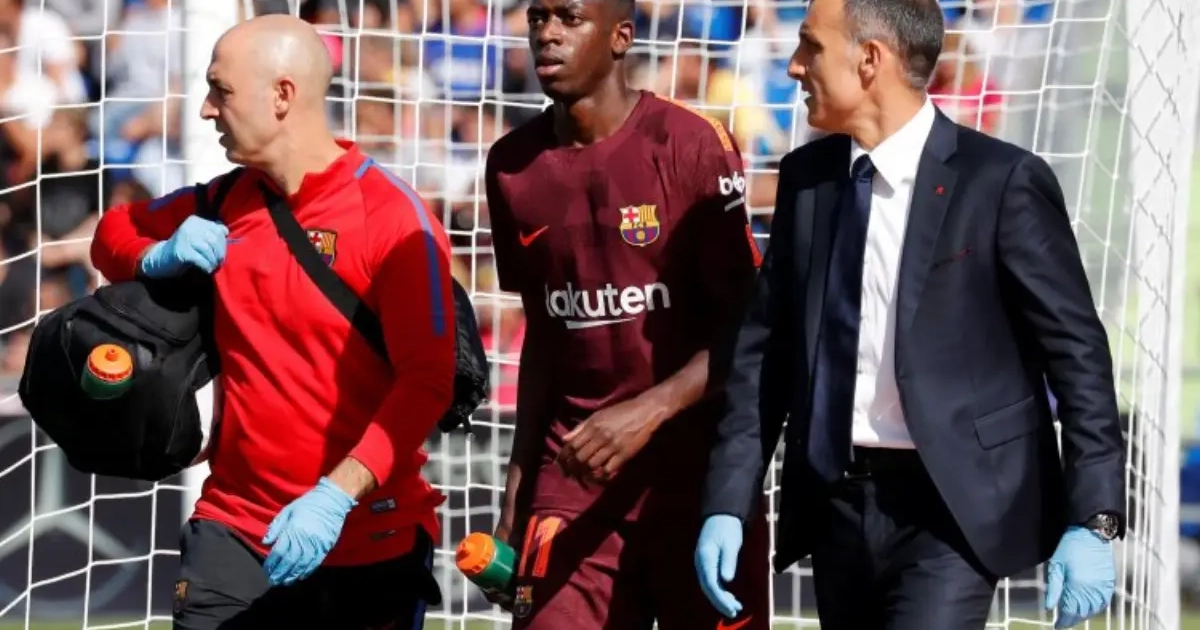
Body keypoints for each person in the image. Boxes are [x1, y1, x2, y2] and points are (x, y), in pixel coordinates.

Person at [693, 0, 1126, 629]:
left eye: (811, 46)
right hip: (836, 505)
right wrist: (728, 502)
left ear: (870, 60)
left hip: (953, 512)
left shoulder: (1001, 181)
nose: (794, 66)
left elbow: (1078, 354)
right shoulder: (806, 180)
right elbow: (766, 355)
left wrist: (1094, 518)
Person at [89, 14, 455, 630]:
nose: (205, 109)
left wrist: (334, 496)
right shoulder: (221, 201)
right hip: (232, 532)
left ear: (282, 95)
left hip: (370, 537)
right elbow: (112, 231)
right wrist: (153, 256)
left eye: (221, 90)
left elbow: (428, 382)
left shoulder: (394, 220)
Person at [481, 0, 769, 626]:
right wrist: (516, 491)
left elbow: (749, 328)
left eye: (569, 18)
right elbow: (544, 335)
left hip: (696, 477)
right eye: (537, 18)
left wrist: (651, 408)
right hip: (573, 476)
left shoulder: (690, 143)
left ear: (621, 37)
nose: (547, 34)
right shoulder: (509, 166)